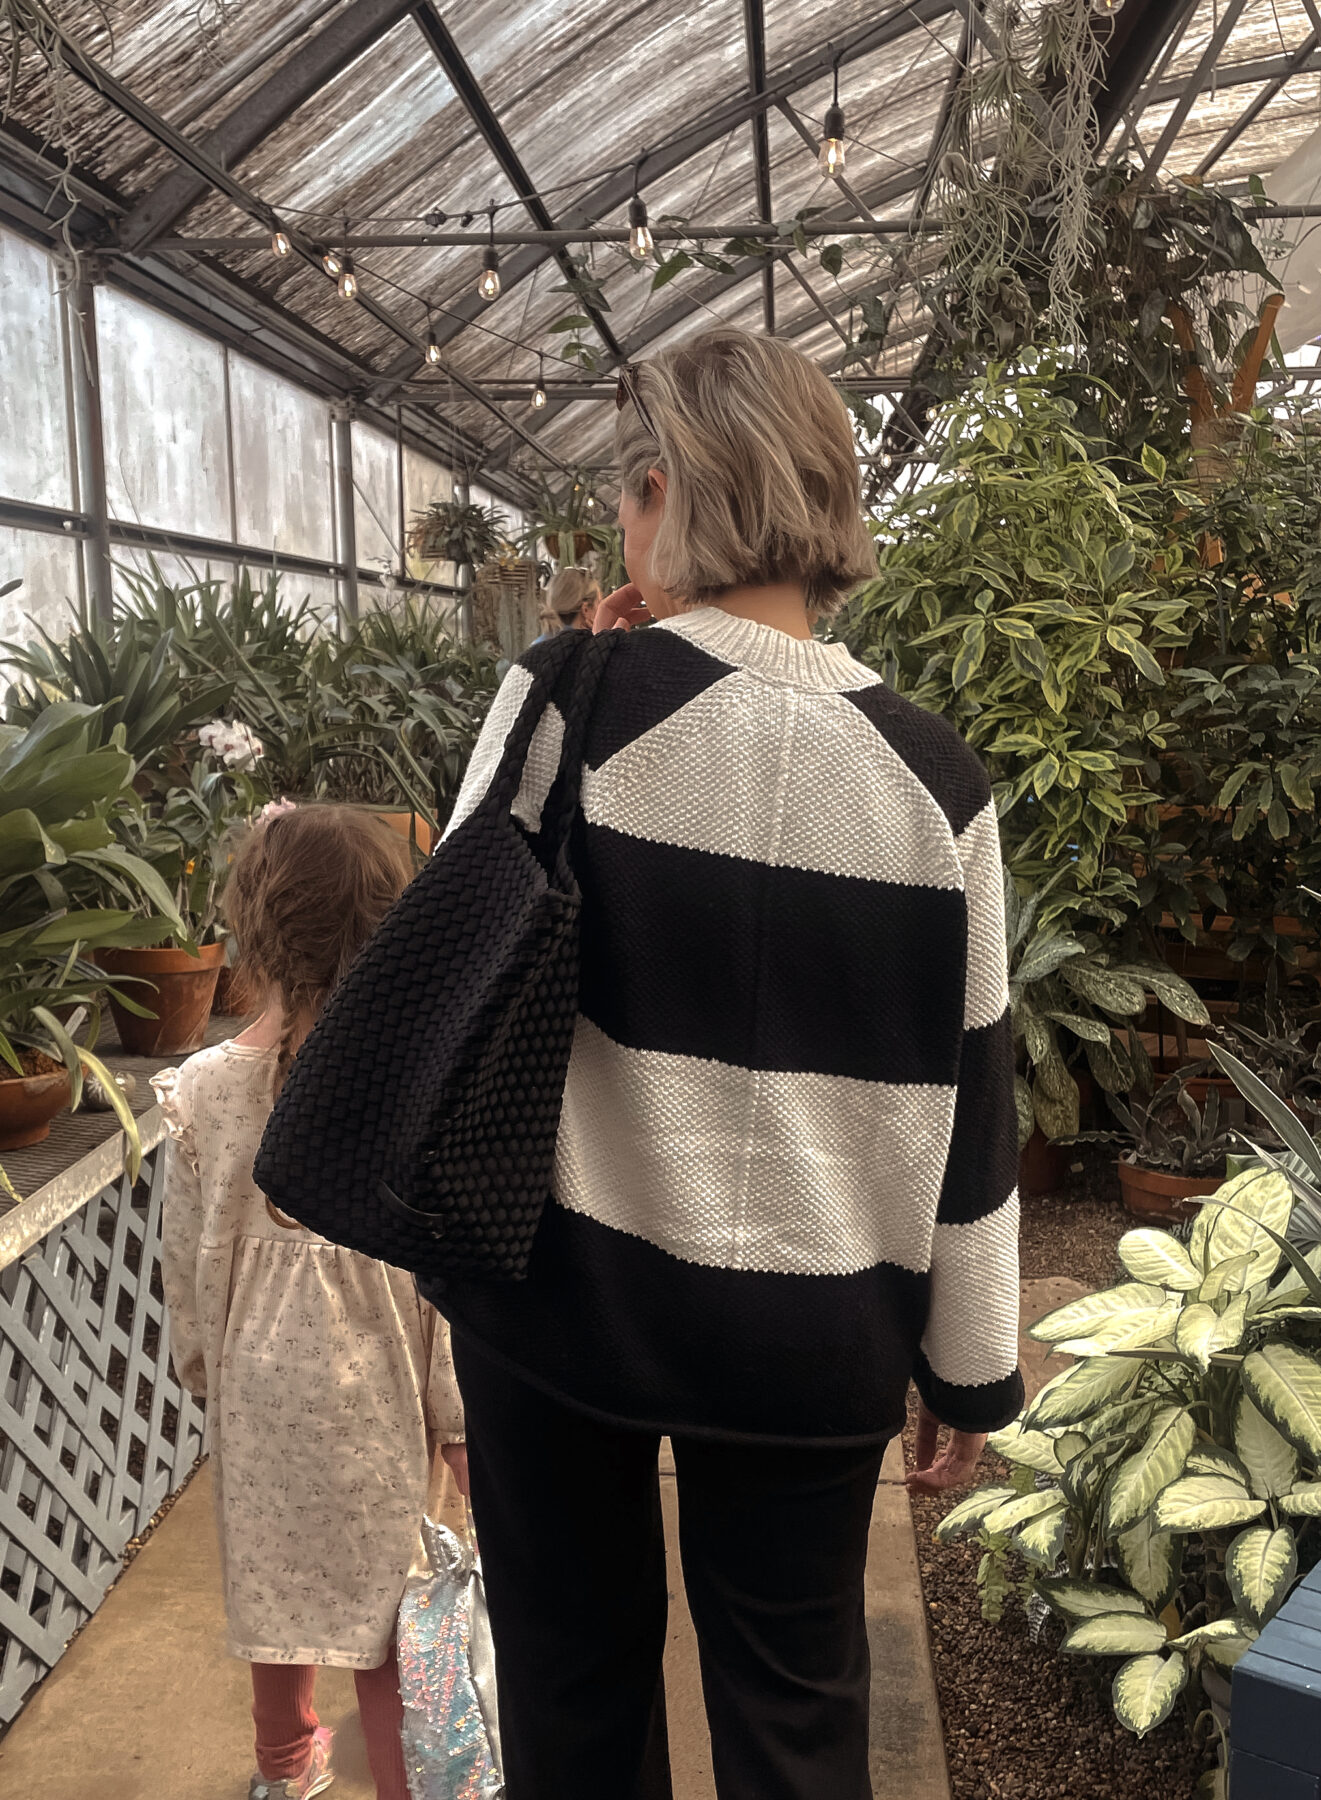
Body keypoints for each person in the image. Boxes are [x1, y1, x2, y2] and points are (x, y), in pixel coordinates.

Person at [437, 328, 1021, 1800]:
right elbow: (976, 1095)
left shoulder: (568, 698)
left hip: (560, 1296)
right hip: (812, 1332)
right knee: (796, 1711)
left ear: (657, 493)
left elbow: (453, 969)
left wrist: (591, 658)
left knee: (572, 1690)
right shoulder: (938, 780)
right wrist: (972, 1372)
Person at [155, 806, 470, 1800]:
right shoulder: (416, 1085)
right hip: (375, 1394)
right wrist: (458, 1422)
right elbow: (443, 1281)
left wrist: (206, 1371)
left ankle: (284, 1767)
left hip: (259, 1397)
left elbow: (185, 1261)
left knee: (276, 1587)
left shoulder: (206, 1087)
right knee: (391, 1622)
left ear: (254, 934)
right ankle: (404, 1786)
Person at [545, 563, 603, 632]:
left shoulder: (541, 641)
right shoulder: (597, 641)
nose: (602, 611)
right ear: (585, 610)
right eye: (599, 604)